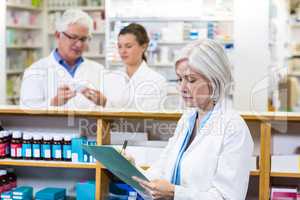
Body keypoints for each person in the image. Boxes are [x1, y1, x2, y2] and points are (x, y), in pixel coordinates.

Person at [132, 39, 254, 200]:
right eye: (179, 79)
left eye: (191, 80)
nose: (182, 88)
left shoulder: (234, 127)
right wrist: (130, 169)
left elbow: (227, 197)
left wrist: (175, 193)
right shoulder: (187, 119)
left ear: (214, 80)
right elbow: (161, 171)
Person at [20, 9, 107, 109]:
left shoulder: (98, 69)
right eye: (73, 37)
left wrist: (104, 103)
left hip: (87, 125)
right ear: (58, 35)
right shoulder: (34, 71)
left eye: (83, 39)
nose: (78, 44)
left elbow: (114, 111)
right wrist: (53, 103)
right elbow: (25, 111)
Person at [104, 23, 167, 111]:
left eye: (128, 46)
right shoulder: (111, 78)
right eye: (119, 46)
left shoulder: (157, 81)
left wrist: (108, 105)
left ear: (143, 47)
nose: (123, 51)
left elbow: (149, 116)